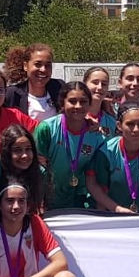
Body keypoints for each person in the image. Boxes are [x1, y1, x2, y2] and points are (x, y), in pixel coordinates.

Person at [32, 81, 106, 210]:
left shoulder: (96, 135)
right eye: (72, 101)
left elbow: (96, 174)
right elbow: (36, 167)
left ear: (89, 104)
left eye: (83, 101)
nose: (78, 106)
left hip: (81, 201)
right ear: (62, 103)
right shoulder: (47, 129)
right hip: (49, 200)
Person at [87, 100, 139, 214]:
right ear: (119, 125)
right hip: (112, 212)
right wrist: (115, 210)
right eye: (130, 124)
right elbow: (100, 190)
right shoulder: (107, 152)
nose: (136, 129)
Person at [0, 125, 50, 214]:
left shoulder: (40, 173)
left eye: (28, 149)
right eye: (17, 150)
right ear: (7, 152)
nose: (24, 155)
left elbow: (37, 210)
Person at [5, 43, 61, 122]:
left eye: (48, 65)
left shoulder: (59, 88)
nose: (43, 69)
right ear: (25, 66)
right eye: (38, 64)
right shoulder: (12, 95)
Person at [83, 66, 118, 136]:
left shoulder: (111, 121)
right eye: (95, 82)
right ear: (85, 84)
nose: (100, 87)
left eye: (104, 84)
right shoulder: (74, 117)